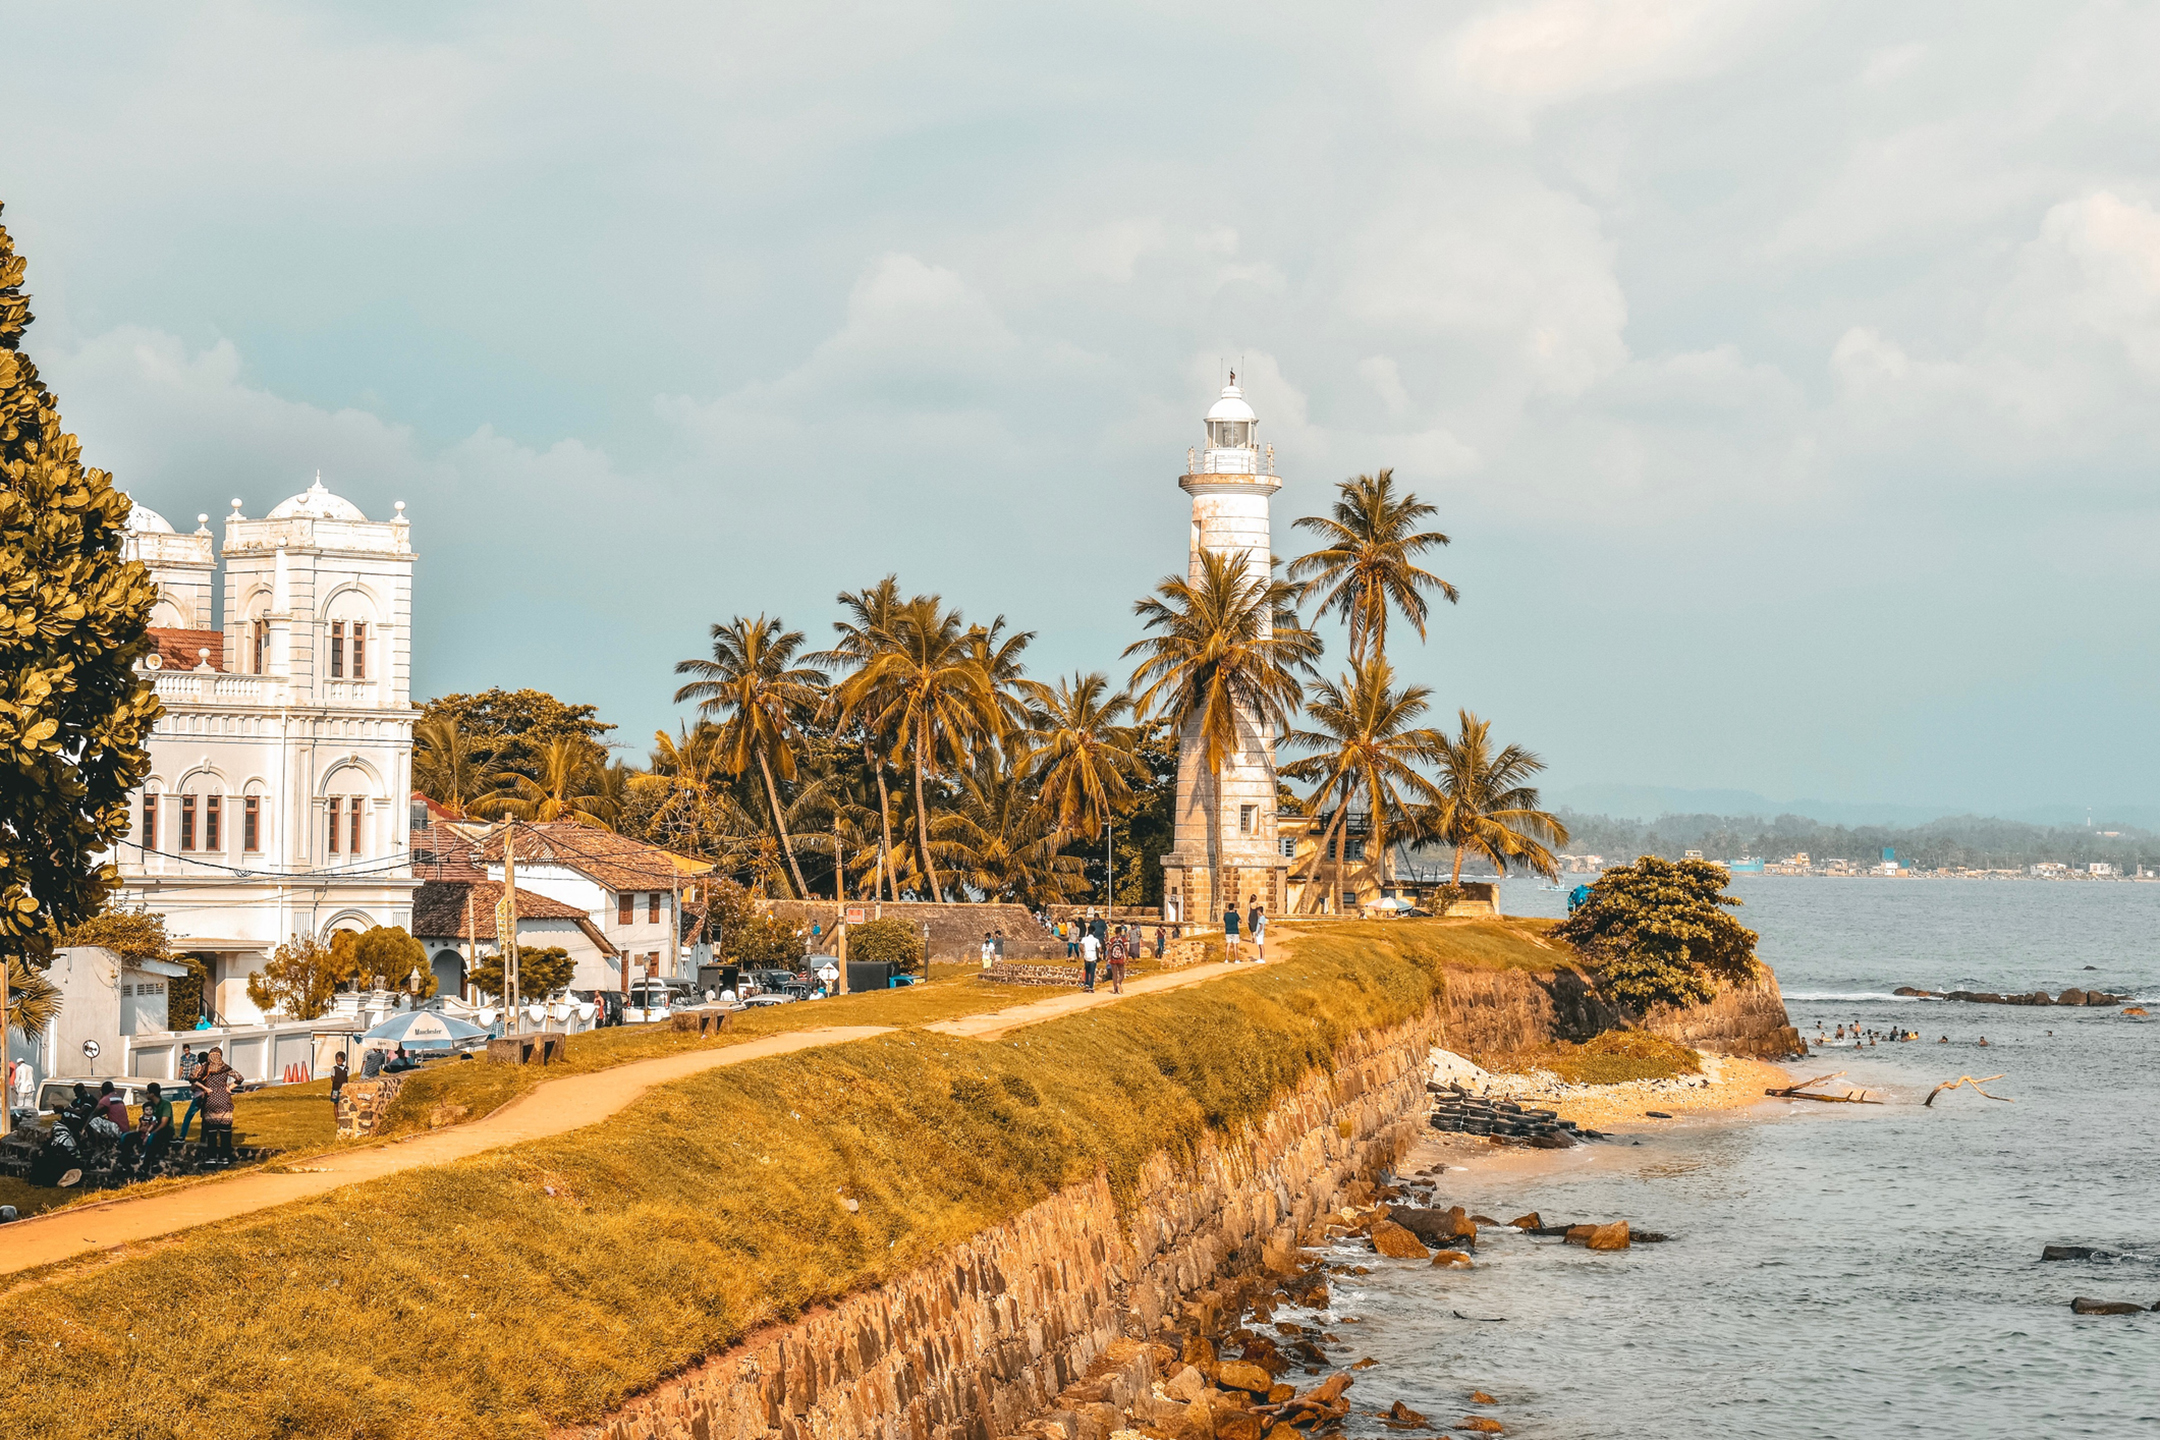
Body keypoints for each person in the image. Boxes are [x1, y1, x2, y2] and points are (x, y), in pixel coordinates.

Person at [194, 1047, 243, 1163]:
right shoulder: (225, 1068)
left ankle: (211, 1157)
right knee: (225, 1132)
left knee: (211, 1132)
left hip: (210, 1100)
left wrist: (205, 1088)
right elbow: (240, 1078)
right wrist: (229, 1087)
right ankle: (224, 1157)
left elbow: (192, 1078)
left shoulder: (205, 1068)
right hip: (224, 1100)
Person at [125, 1081, 173, 1176]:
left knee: (152, 1139)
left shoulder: (165, 1105)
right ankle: (125, 1163)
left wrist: (150, 1132)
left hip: (163, 1131)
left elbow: (164, 1123)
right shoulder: (149, 1106)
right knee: (127, 1137)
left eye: (147, 1092)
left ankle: (145, 1166)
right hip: (148, 1130)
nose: (146, 1094)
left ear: (152, 1094)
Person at [175, 1045, 208, 1141]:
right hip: (208, 1096)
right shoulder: (210, 1070)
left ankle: (182, 1136)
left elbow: (193, 1081)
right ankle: (204, 1138)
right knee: (206, 1119)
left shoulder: (199, 1070)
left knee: (188, 1116)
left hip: (199, 1096)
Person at [1079, 927, 1101, 993]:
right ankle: (1091, 986)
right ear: (1094, 932)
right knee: (1092, 972)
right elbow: (1099, 948)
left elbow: (1080, 945)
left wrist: (1083, 951)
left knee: (1087, 971)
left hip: (1086, 956)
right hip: (1093, 956)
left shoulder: (1084, 939)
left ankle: (1086, 984)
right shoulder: (1096, 940)